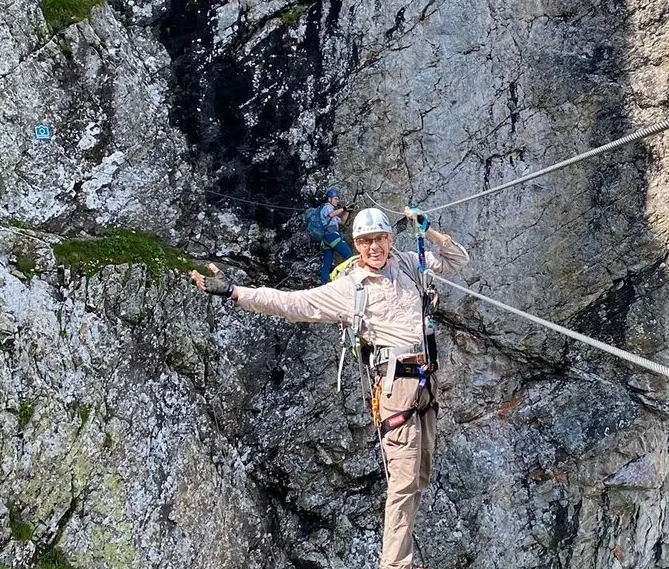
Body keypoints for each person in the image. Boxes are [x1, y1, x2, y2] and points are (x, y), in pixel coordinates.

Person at [189, 206, 469, 569]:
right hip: (396, 387)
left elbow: (457, 259)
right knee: (402, 481)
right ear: (356, 244)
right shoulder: (350, 288)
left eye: (379, 239)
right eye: (366, 242)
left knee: (419, 476)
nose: (373, 248)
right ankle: (396, 564)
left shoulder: (408, 262)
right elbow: (293, 303)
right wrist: (235, 293)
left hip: (425, 381)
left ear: (389, 239)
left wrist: (428, 230)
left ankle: (402, 561)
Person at [319, 188, 354, 283]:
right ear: (329, 199)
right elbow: (330, 214)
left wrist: (347, 211)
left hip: (326, 239)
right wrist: (344, 208)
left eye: (337, 199)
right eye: (335, 198)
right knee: (350, 257)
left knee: (327, 262)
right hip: (332, 236)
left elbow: (342, 222)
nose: (337, 201)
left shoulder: (333, 210)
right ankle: (345, 278)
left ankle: (324, 282)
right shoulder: (327, 207)